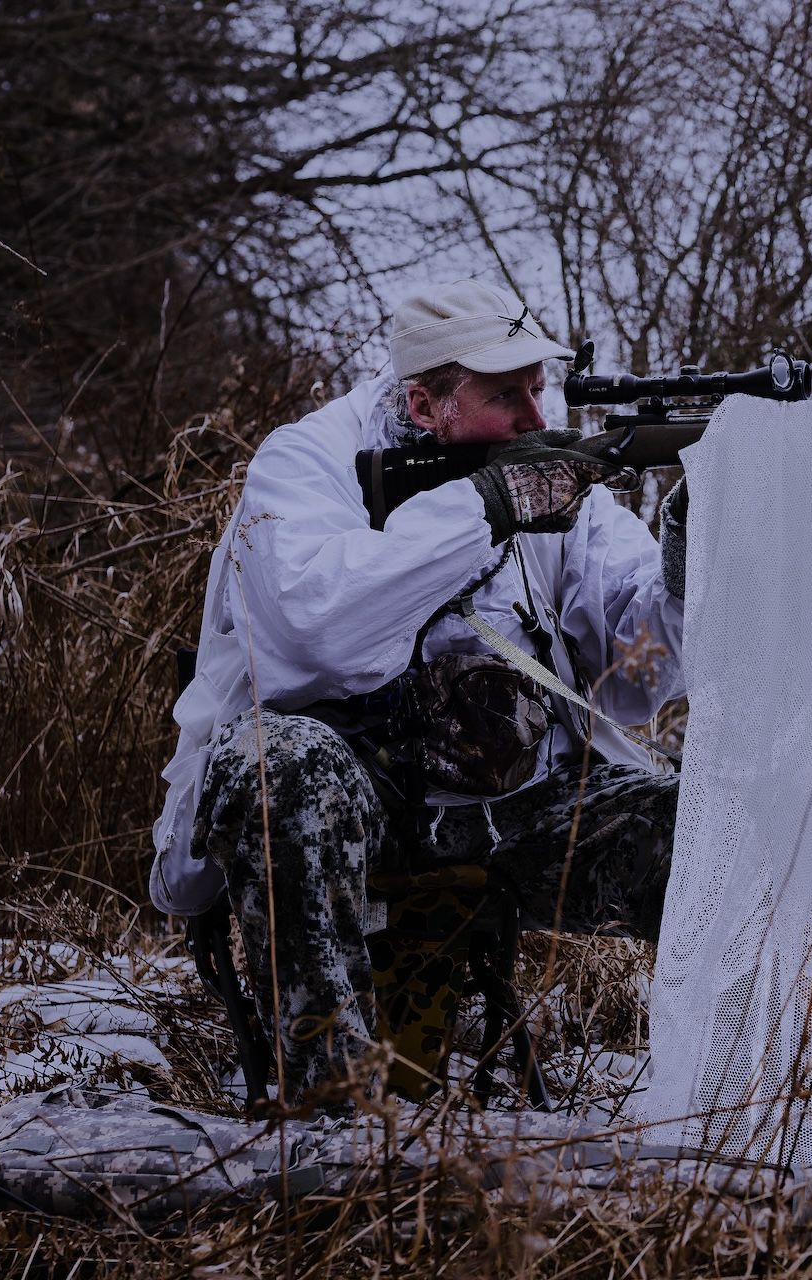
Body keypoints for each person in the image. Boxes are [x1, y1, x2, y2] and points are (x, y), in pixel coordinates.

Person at [148, 279, 689, 1108]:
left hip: (515, 815)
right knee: (283, 762)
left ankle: (743, 1107)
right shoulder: (306, 462)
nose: (535, 419)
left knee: (705, 829)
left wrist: (693, 562)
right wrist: (487, 511)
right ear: (423, 402)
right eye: (505, 395)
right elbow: (314, 633)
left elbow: (635, 679)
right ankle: (334, 1117)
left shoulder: (552, 482)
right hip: (351, 815)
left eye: (538, 388)